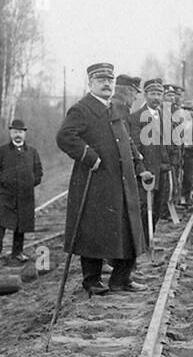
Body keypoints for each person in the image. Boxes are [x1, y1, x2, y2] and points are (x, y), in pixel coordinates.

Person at [56, 62, 152, 295]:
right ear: (90, 84)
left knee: (127, 228)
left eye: (109, 80)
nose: (106, 84)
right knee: (94, 230)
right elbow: (65, 137)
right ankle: (92, 281)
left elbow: (126, 140)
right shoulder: (82, 109)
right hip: (96, 180)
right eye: (101, 80)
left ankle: (121, 280)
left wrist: (139, 166)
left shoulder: (115, 108)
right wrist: (90, 157)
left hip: (122, 180)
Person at [0, 118, 43, 262]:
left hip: (25, 195)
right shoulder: (2, 151)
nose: (17, 135)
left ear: (24, 134)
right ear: (10, 133)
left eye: (20, 132)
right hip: (7, 194)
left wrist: (31, 183)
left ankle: (17, 252)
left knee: (21, 225)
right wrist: (3, 181)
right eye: (14, 132)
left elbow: (39, 172)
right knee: (0, 222)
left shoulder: (32, 152)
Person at [133, 77, 172, 226]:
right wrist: (141, 169)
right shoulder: (136, 118)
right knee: (144, 210)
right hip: (147, 172)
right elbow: (136, 147)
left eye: (159, 94)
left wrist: (171, 162)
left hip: (163, 171)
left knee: (157, 210)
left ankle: (149, 242)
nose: (156, 98)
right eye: (152, 94)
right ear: (145, 95)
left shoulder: (166, 118)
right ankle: (143, 245)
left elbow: (172, 143)